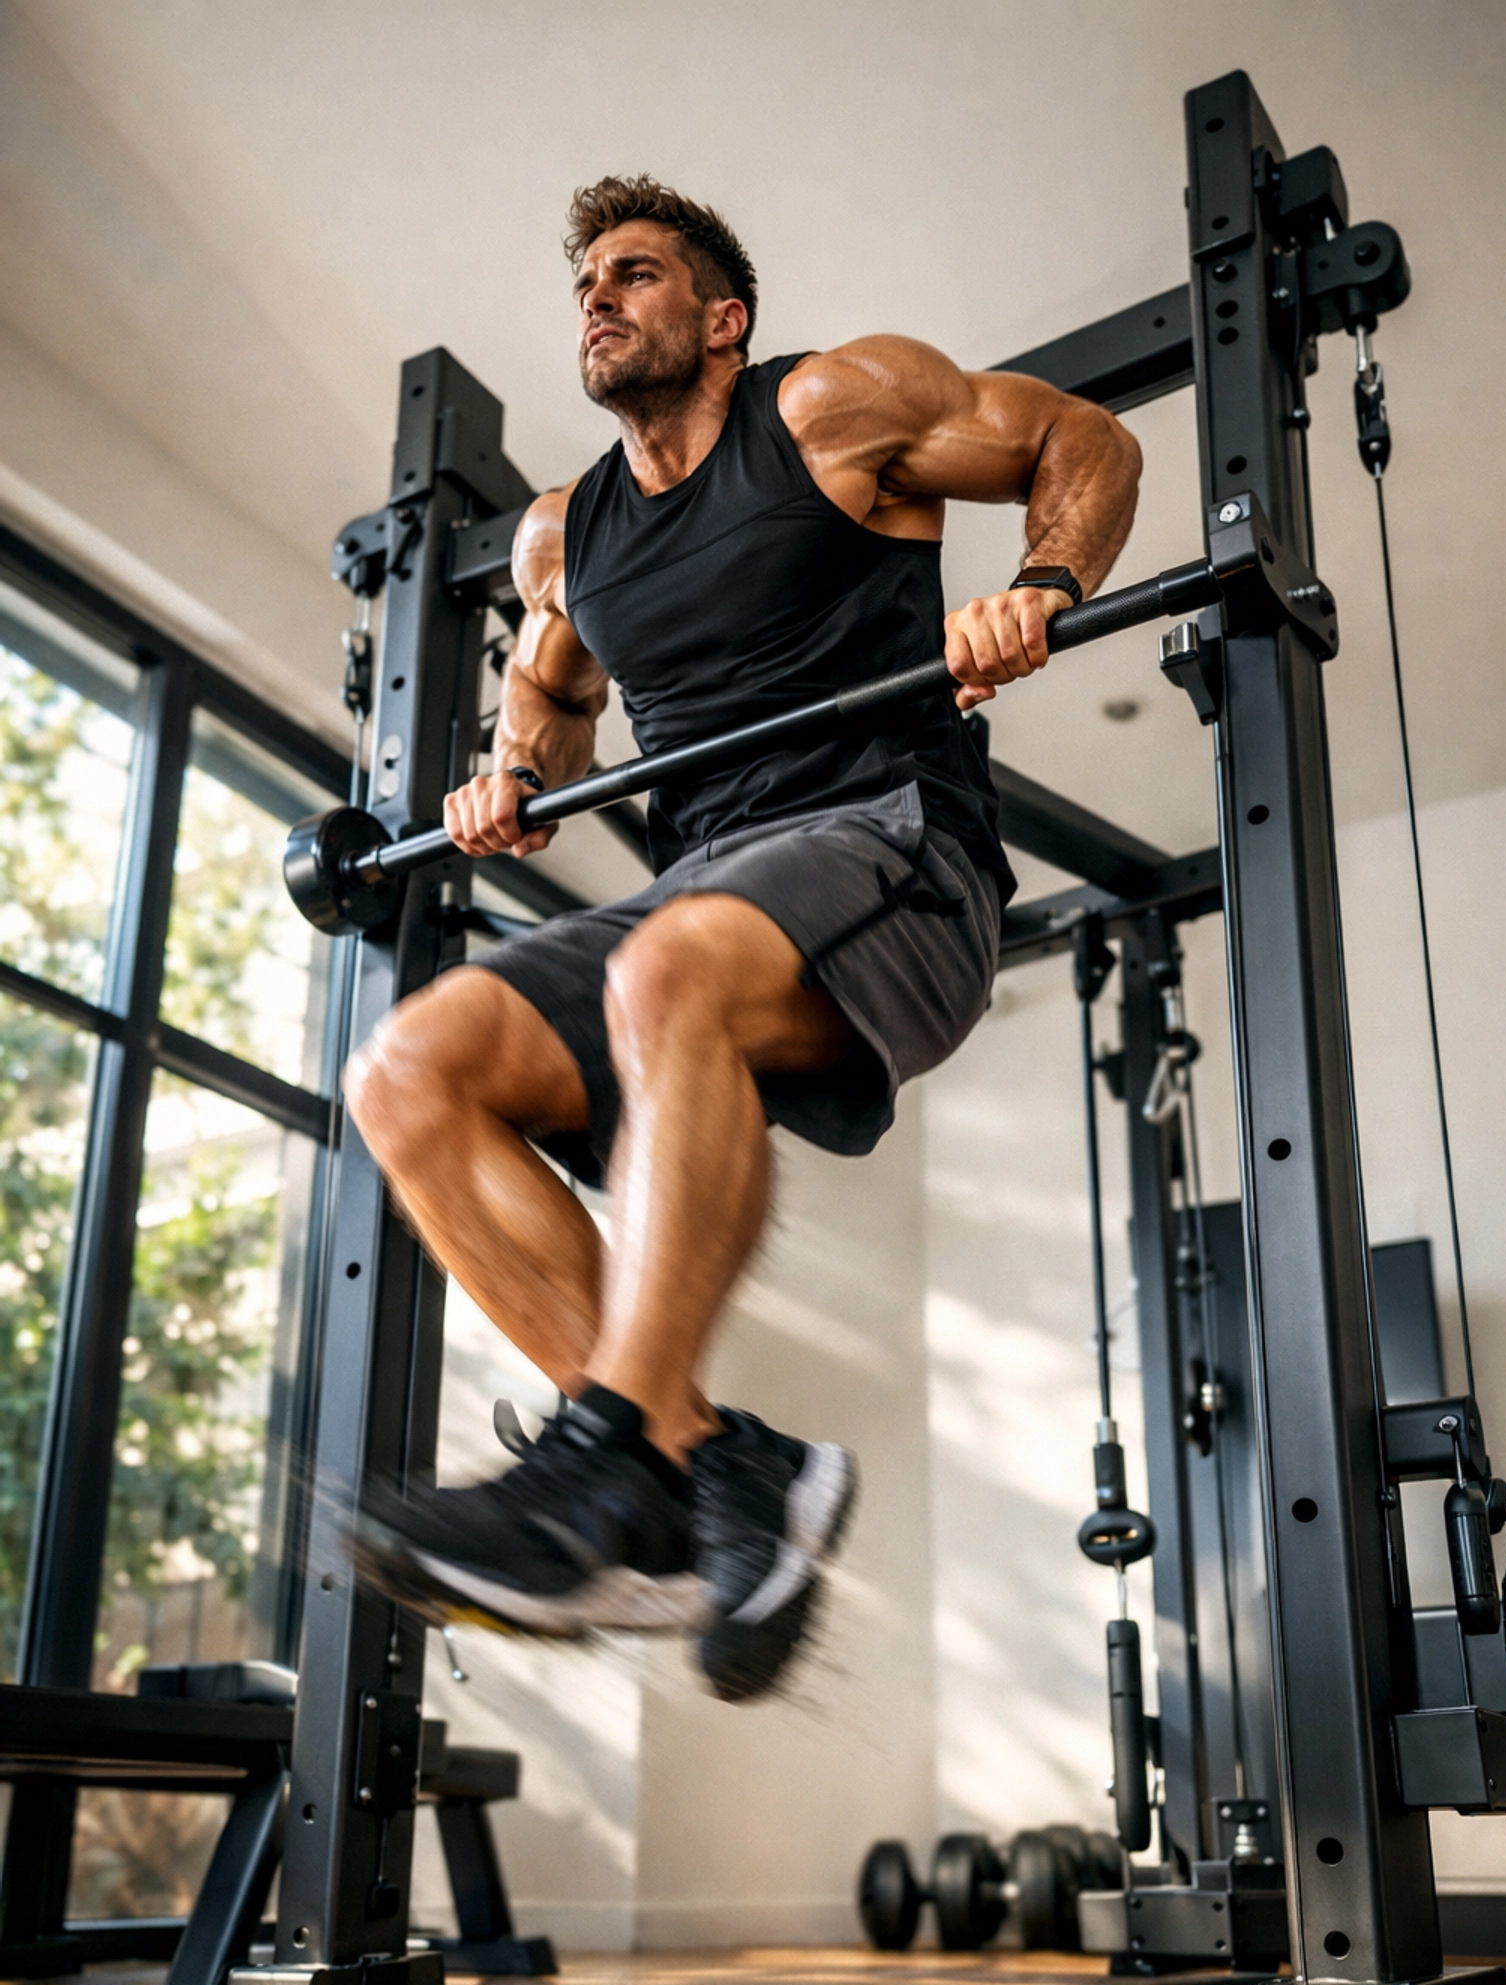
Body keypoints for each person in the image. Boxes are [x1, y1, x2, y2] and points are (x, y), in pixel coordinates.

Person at [346, 176, 1142, 1700]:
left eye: (635, 274)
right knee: (407, 1073)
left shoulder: (835, 408)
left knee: (667, 967)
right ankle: (707, 1464)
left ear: (724, 320)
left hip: (896, 847)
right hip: (707, 891)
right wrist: (514, 778)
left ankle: (605, 1465)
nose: (598, 296)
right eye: (586, 281)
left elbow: (1084, 441)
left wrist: (1041, 585)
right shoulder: (567, 534)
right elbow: (553, 699)